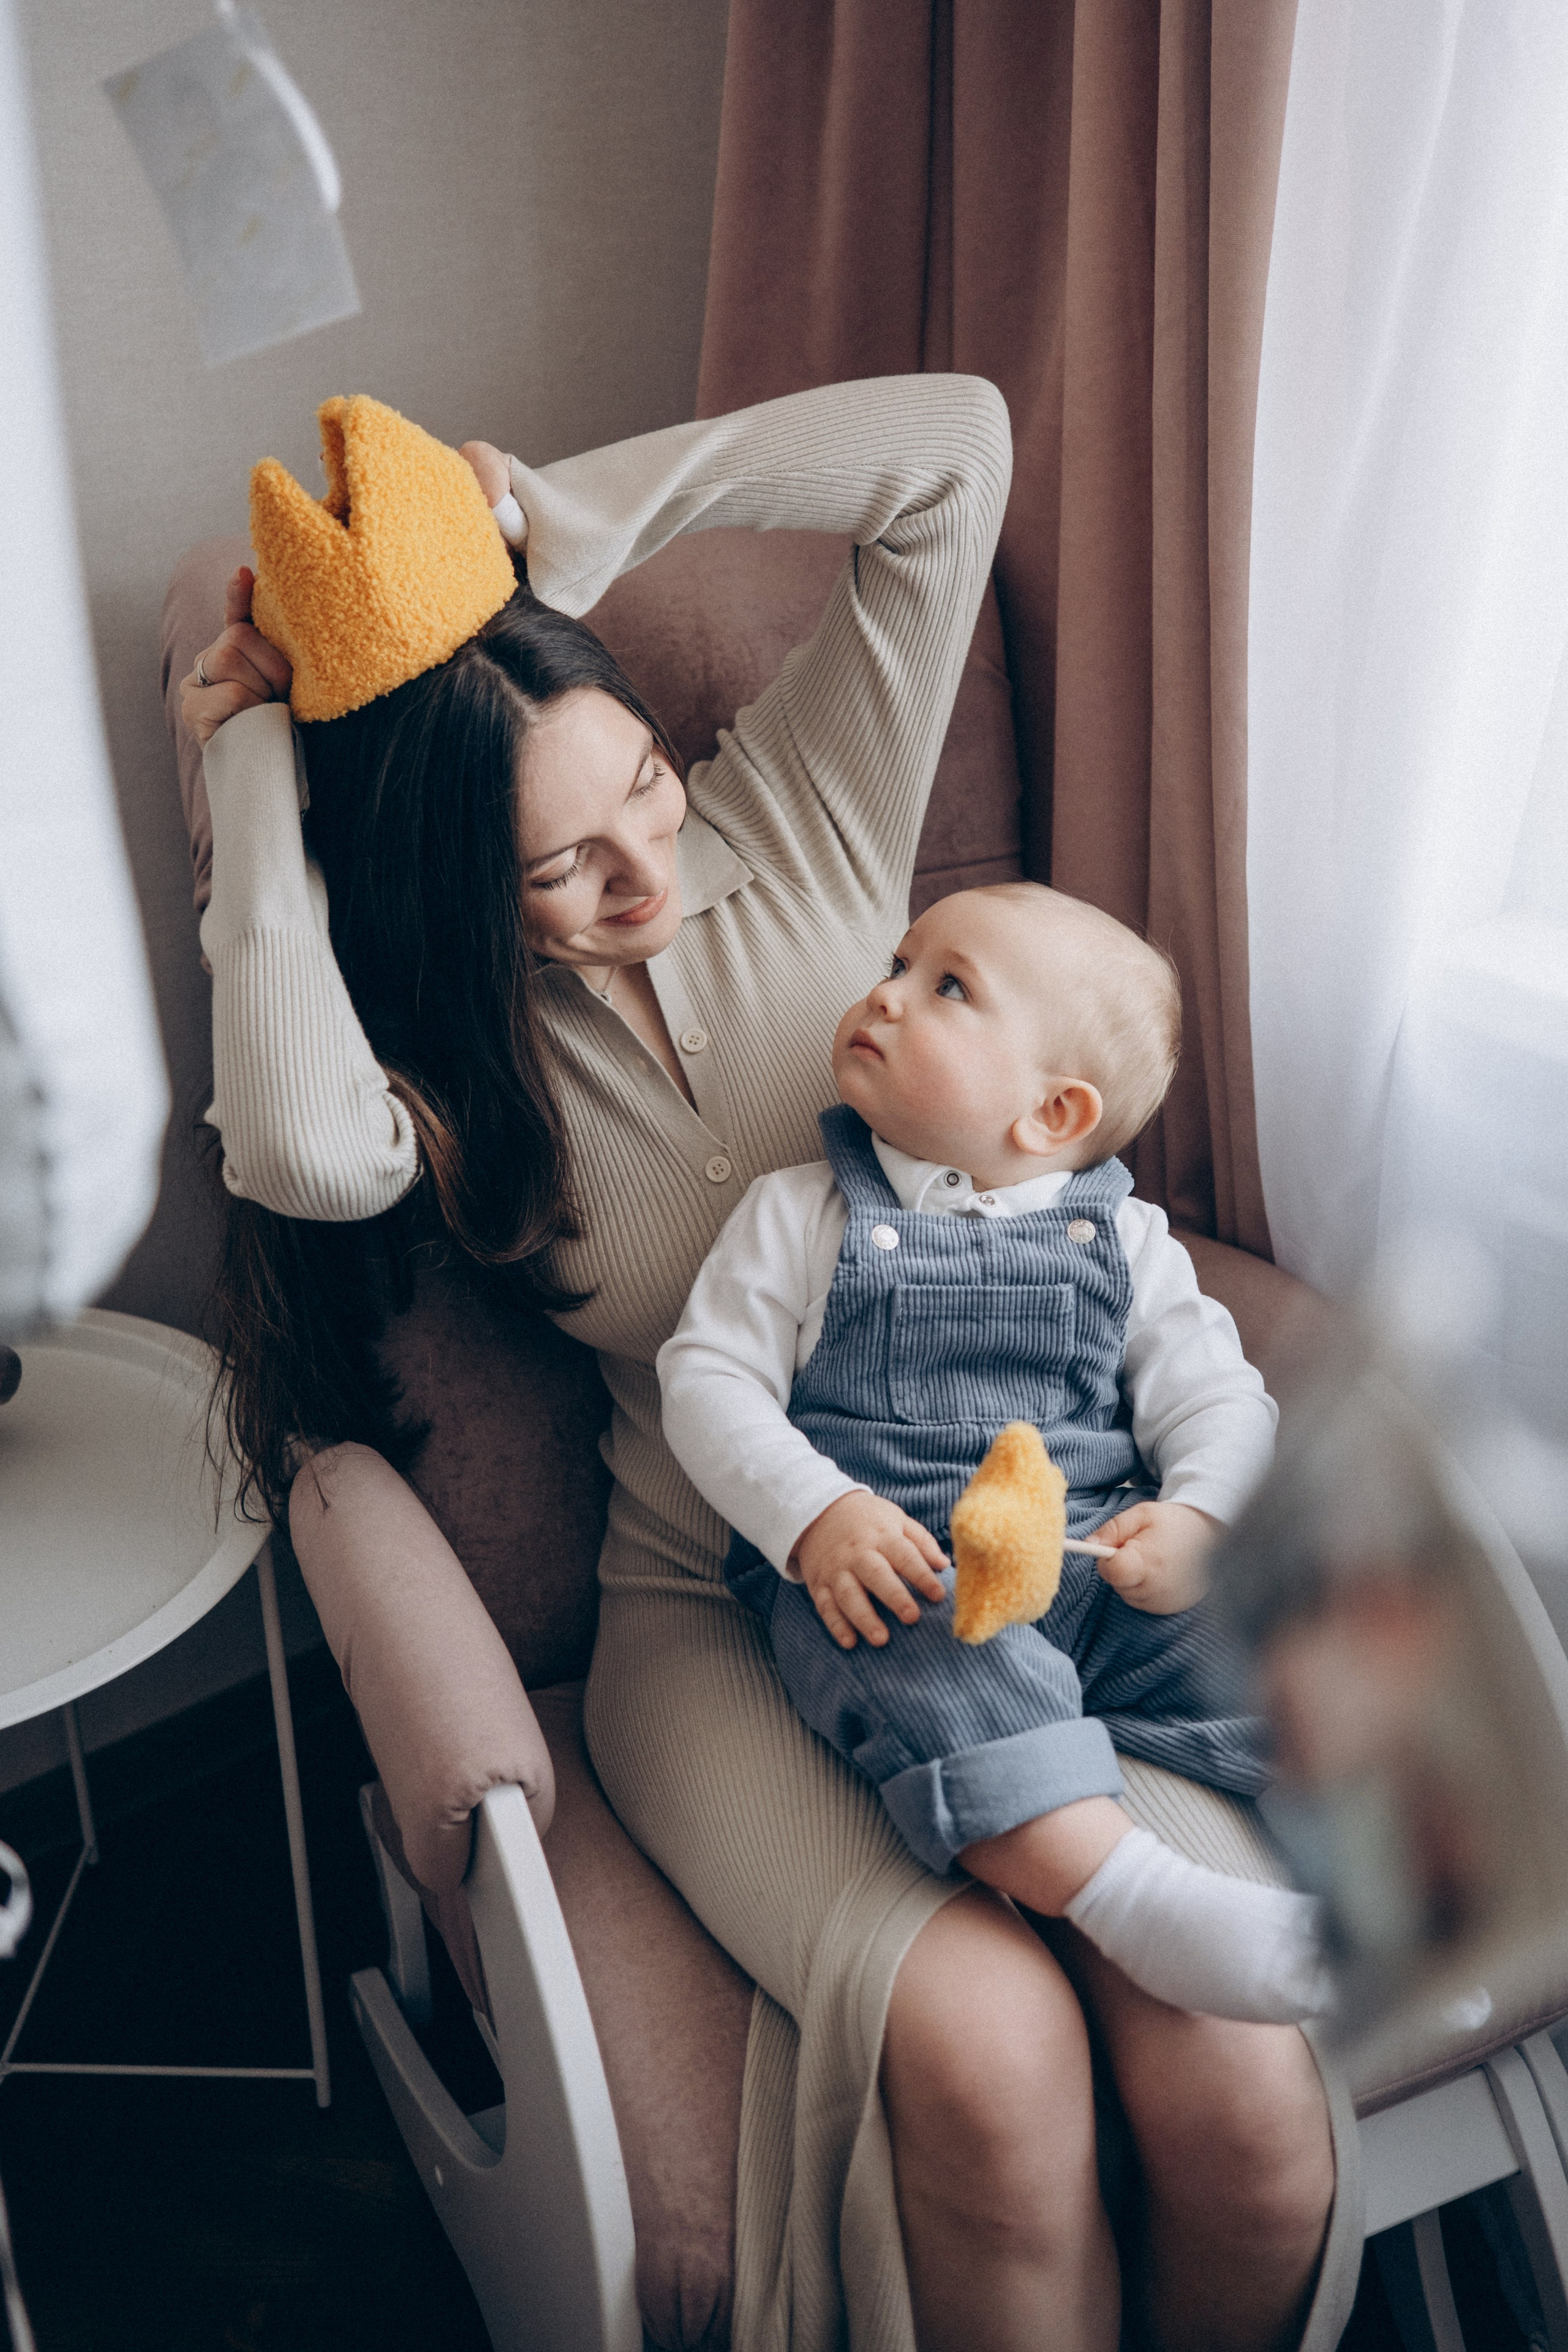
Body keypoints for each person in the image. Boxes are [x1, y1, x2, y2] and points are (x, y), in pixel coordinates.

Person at [181, 377, 1339, 2352]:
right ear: (452, 894)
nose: (650, 871)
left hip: (1042, 1563)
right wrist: (251, 775)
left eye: (645, 782)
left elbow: (957, 448)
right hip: (712, 1609)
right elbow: (292, 1146)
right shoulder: (442, 1069)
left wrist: (572, 523)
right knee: (990, 2064)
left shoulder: (807, 813)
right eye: (560, 870)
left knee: (1240, 2098)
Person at [659, 881, 1325, 2027]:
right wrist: (815, 1517)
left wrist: (1201, 1521)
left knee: (1274, 1650)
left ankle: (1407, 1884)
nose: (886, 996)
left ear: (1054, 1114)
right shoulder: (801, 1213)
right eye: (899, 966)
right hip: (900, 1560)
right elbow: (709, 1383)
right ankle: (1132, 1895)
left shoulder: (1128, 1241)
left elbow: (1220, 1400)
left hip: (1096, 1554)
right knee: (926, 1656)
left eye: (950, 988)